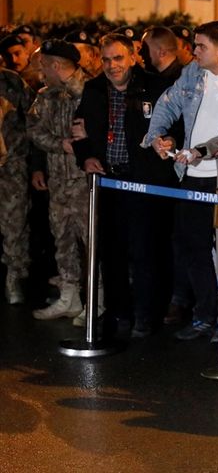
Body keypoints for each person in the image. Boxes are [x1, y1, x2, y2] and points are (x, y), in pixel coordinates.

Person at [145, 21, 218, 341]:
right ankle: (204, 314)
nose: (194, 51)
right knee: (194, 249)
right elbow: (168, 102)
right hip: (189, 177)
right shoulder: (192, 73)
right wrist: (157, 135)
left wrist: (199, 151)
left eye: (201, 46)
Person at [72, 33, 176, 337]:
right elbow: (79, 130)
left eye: (118, 58)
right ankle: (119, 313)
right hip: (108, 182)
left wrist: (170, 144)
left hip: (145, 185)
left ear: (132, 57)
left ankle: (147, 315)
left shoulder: (155, 87)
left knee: (147, 252)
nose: (112, 65)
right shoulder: (93, 89)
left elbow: (174, 127)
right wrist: (86, 157)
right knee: (111, 252)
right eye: (106, 59)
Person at [27, 40, 92, 321]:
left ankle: (96, 300)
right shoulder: (45, 96)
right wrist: (61, 144)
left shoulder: (92, 91)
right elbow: (33, 130)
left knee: (92, 242)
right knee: (62, 240)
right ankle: (70, 297)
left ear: (55, 65)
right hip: (59, 181)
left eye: (43, 66)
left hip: (86, 182)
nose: (39, 72)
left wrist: (81, 147)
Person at [0, 66, 34, 305]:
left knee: (15, 222)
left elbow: (32, 116)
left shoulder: (12, 81)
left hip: (12, 163)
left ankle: (14, 277)